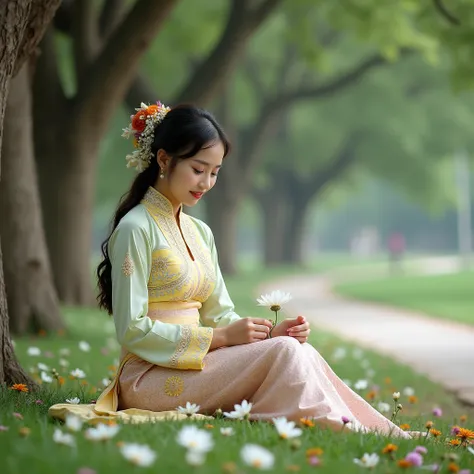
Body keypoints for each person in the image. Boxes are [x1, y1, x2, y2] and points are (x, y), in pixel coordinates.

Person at [93, 101, 410, 437]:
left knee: (294, 347)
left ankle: (373, 428)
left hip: (198, 363)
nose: (206, 183)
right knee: (285, 354)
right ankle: (334, 427)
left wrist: (269, 334)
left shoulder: (199, 232)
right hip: (148, 377)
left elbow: (220, 314)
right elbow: (132, 329)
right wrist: (219, 338)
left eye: (215, 173)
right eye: (198, 169)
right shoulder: (135, 228)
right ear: (163, 159)